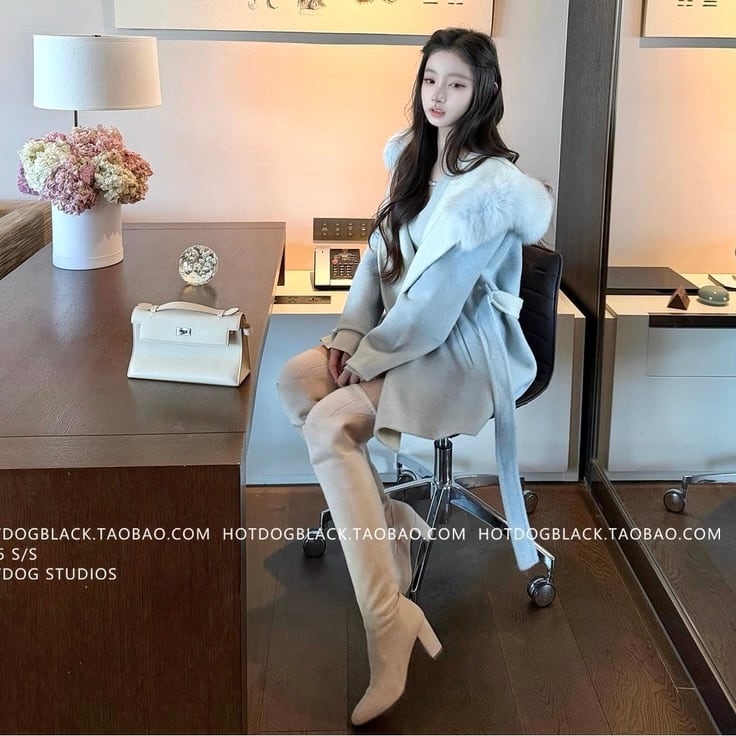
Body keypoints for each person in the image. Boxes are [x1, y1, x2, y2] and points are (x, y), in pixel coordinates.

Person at [277, 27, 554, 726]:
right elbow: (377, 259)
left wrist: (365, 361)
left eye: (456, 84)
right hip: (397, 333)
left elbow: (433, 310)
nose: (439, 95)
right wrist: (348, 335)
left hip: (461, 350)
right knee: (294, 382)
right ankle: (388, 520)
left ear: (483, 93)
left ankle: (387, 622)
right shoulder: (409, 155)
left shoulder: (491, 189)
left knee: (331, 421)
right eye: (431, 79)